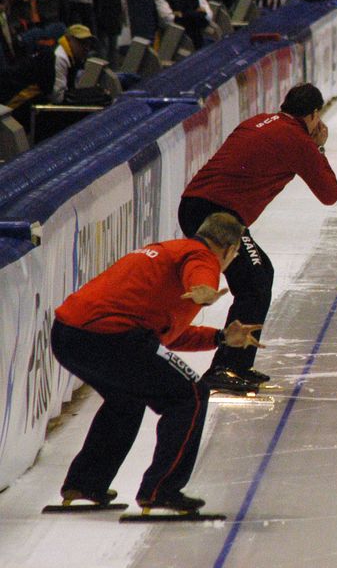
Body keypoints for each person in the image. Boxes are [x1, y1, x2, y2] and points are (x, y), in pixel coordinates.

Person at [51, 212, 261, 513]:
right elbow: (200, 271)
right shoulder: (201, 256)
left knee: (126, 399)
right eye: (235, 254)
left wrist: (221, 338)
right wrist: (204, 290)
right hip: (112, 336)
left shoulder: (170, 252)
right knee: (191, 394)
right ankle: (162, 490)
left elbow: (167, 339)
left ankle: (85, 483)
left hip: (69, 334)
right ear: (228, 249)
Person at [178, 83, 337, 393]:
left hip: (199, 204)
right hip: (217, 213)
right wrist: (318, 147)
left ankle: (236, 364)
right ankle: (227, 366)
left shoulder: (259, 121)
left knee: (258, 275)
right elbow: (329, 194)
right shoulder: (297, 139)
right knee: (255, 279)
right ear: (315, 114)